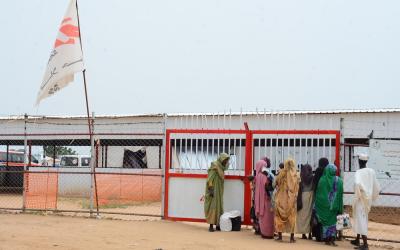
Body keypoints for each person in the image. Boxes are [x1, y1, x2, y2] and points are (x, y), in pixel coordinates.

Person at [351, 154, 380, 250]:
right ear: (366, 162)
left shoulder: (358, 172)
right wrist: (372, 195)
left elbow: (357, 184)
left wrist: (357, 194)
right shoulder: (371, 171)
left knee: (361, 220)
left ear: (359, 162)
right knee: (362, 219)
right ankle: (357, 239)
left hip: (361, 199)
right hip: (368, 200)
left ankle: (365, 244)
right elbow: (376, 186)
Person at [315, 164, 343, 246]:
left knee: (325, 223)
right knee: (333, 223)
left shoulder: (322, 180)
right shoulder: (339, 181)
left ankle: (327, 239)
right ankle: (332, 240)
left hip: (324, 207)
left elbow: (319, 194)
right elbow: (340, 194)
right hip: (334, 206)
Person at [274, 159, 300, 243]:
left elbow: (275, 183)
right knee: (292, 217)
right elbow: (298, 186)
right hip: (291, 199)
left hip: (281, 198)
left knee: (279, 216)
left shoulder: (281, 173)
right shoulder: (296, 175)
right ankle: (292, 238)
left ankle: (280, 236)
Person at [204, 153, 230, 232]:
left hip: (219, 191)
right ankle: (211, 226)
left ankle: (218, 224)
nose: (226, 162)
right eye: (225, 160)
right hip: (213, 191)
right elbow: (210, 179)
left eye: (226, 160)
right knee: (213, 207)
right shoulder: (215, 166)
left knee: (219, 206)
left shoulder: (221, 168)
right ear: (221, 159)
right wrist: (211, 190)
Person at [254, 158, 275, 239]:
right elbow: (268, 186)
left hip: (259, 200)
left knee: (262, 218)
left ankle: (263, 233)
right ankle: (269, 233)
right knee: (268, 217)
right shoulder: (265, 176)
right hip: (266, 199)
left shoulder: (257, 176)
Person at [311, 157, 330, 241]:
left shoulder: (318, 171)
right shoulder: (328, 172)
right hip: (328, 198)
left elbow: (314, 185)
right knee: (326, 216)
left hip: (318, 197)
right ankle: (327, 235)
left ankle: (318, 236)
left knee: (317, 216)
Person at [296, 164, 314, 240]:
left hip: (302, 197)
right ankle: (310, 233)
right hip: (311, 197)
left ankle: (303, 234)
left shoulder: (301, 177)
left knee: (302, 216)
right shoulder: (312, 177)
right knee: (310, 215)